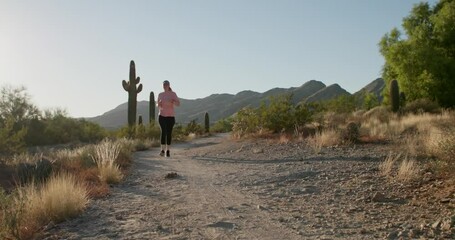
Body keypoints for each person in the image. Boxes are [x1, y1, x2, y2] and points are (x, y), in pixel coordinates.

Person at [157, 80, 180, 157]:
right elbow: (158, 105)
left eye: (166, 84)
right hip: (162, 116)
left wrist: (173, 102)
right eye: (164, 85)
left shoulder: (173, 94)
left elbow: (178, 104)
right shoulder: (160, 94)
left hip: (170, 116)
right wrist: (159, 104)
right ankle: (162, 150)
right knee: (163, 132)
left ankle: (168, 150)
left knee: (169, 133)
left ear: (169, 85)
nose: (165, 86)